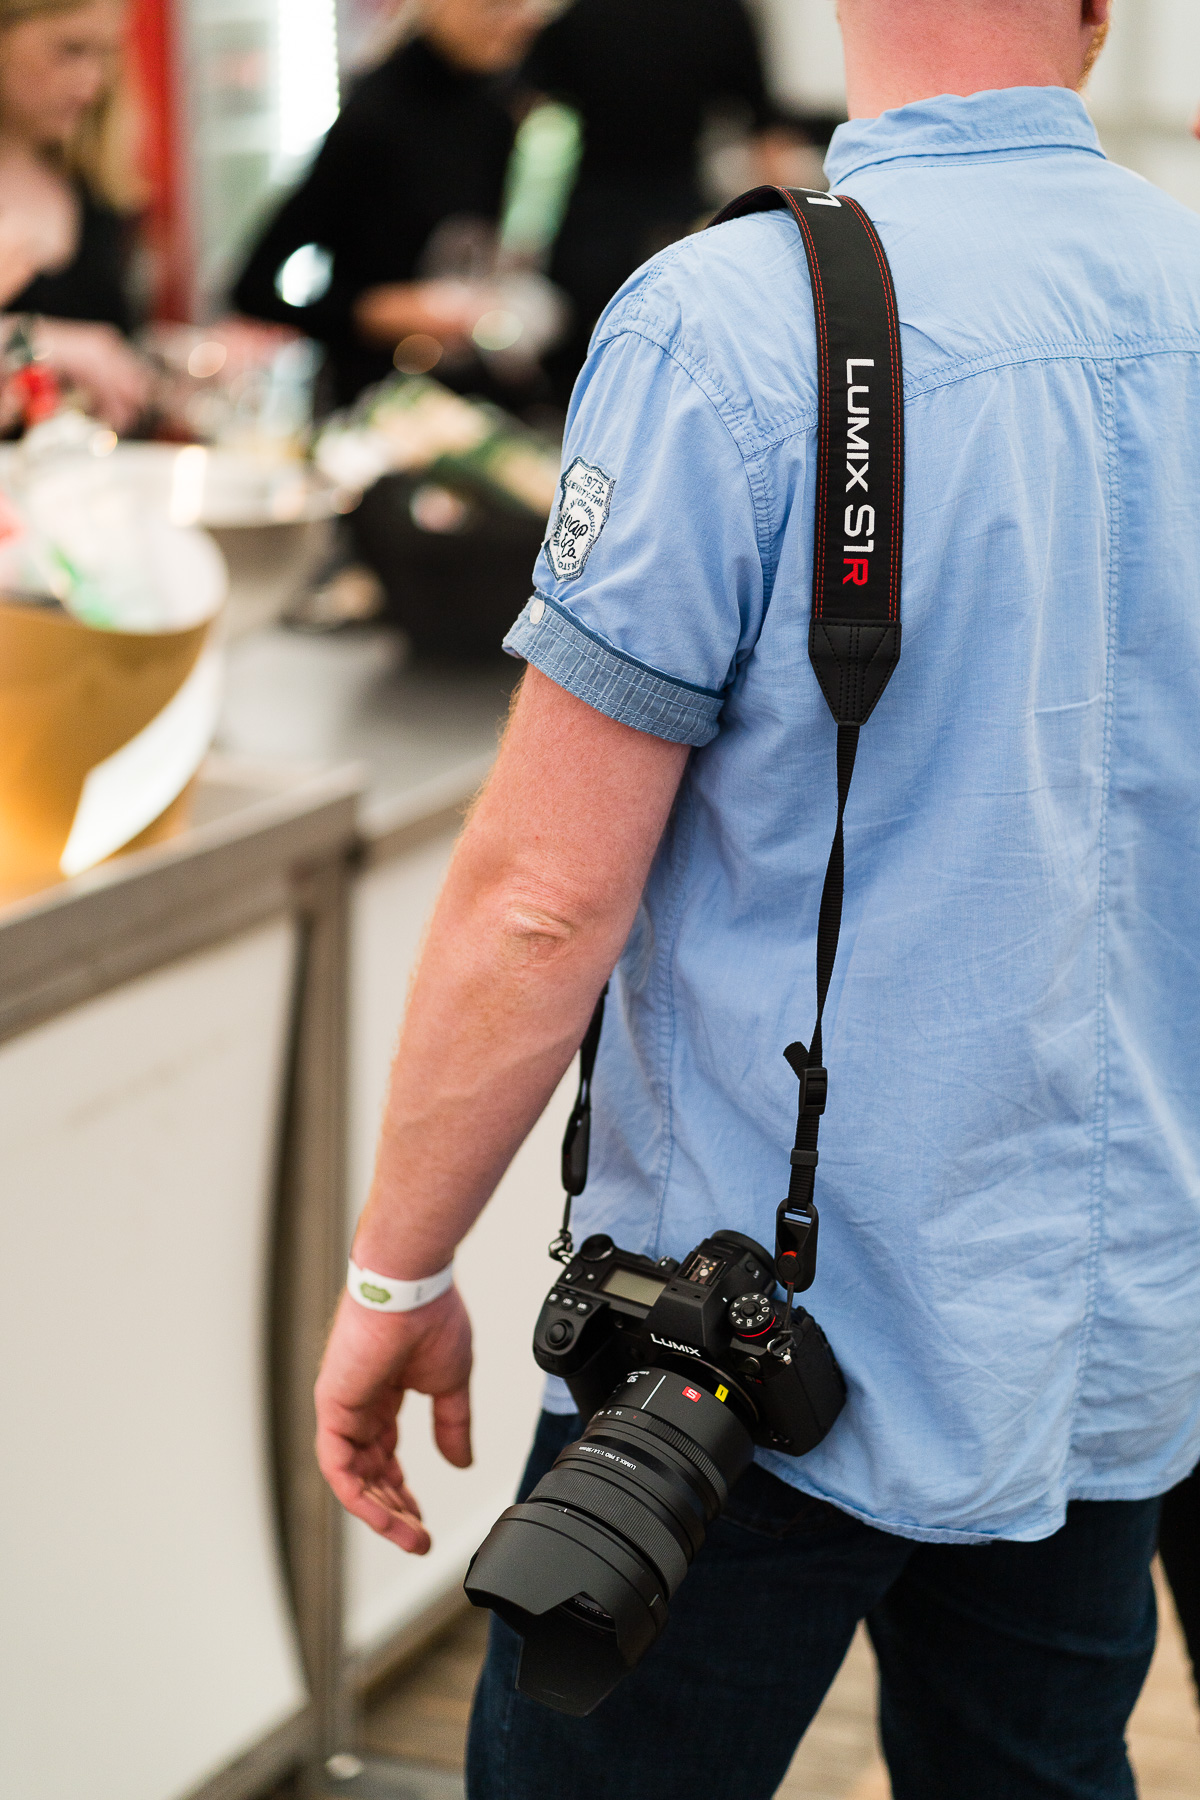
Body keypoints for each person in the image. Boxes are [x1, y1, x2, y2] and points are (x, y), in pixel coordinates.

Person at [314, 2, 1200, 1795]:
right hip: (1100, 1323)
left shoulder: (730, 325)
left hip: (730, 1350)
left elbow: (541, 902)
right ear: (1101, 11)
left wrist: (396, 1266)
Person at [231, 0, 550, 409]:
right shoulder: (375, 116)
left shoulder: (502, 107)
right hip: (371, 410)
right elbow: (252, 288)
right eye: (495, 6)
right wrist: (374, 312)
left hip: (469, 403)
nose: (520, 20)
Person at [524, 0, 788, 400]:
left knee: (588, 375)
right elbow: (766, 129)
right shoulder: (720, 13)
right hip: (648, 213)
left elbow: (526, 105)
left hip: (610, 212)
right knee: (667, 370)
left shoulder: (584, 13)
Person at [0, 0, 149, 431]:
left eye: (106, 55)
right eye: (70, 50)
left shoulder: (98, 188)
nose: (93, 82)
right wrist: (35, 341)